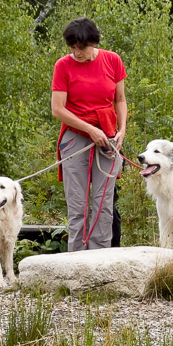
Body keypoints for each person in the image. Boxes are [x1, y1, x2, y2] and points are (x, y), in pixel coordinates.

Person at [51, 17, 127, 251]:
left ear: (93, 43)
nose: (76, 52)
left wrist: (122, 130)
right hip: (76, 137)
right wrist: (90, 129)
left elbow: (120, 100)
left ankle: (100, 259)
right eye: (72, 48)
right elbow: (57, 109)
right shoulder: (63, 65)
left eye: (81, 48)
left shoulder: (112, 60)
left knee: (104, 204)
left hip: (108, 136)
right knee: (78, 205)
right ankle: (76, 260)